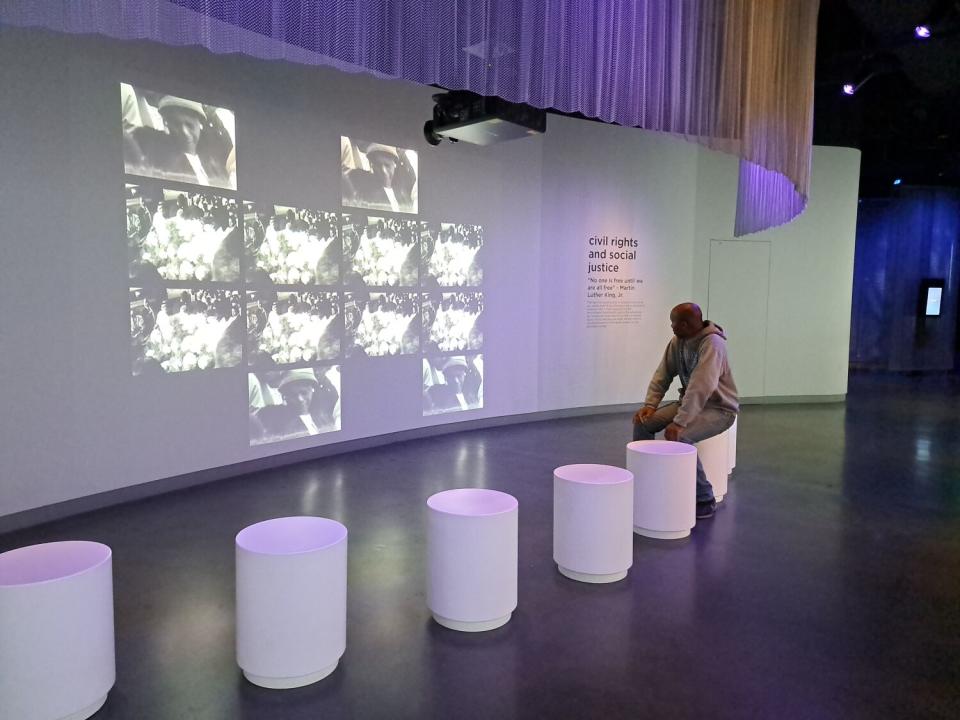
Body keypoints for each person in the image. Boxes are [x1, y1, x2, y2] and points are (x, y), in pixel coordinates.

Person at [632, 303, 739, 519]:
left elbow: (701, 386)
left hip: (718, 409)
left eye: (673, 322)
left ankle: (704, 498)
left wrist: (680, 422)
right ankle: (649, 478)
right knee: (644, 423)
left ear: (685, 324)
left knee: (680, 438)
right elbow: (662, 374)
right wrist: (650, 405)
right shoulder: (677, 342)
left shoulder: (713, 344)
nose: (671, 327)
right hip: (688, 405)